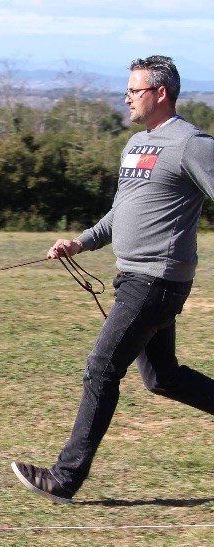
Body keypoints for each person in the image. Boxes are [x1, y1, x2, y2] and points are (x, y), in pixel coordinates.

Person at [12, 55, 214, 503]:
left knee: (102, 369)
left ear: (160, 93)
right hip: (132, 277)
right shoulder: (136, 144)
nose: (126, 97)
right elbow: (121, 213)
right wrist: (80, 243)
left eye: (134, 90)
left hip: (156, 281)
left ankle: (64, 479)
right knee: (164, 378)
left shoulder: (192, 144)